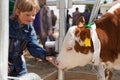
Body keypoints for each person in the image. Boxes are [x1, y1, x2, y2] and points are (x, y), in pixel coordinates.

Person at [9, 0, 56, 77]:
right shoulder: (6, 25)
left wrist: (46, 56)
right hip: (4, 65)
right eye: (27, 15)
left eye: (33, 15)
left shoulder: (29, 28)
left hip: (19, 67)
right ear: (17, 12)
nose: (31, 18)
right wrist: (2, 61)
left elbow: (33, 46)